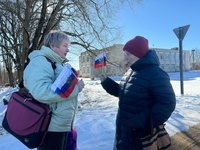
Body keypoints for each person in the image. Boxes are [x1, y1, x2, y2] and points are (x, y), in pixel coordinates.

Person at [100, 36, 176, 150]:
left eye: (128, 54)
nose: (125, 58)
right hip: (123, 130)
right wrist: (106, 82)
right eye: (125, 54)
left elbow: (168, 103)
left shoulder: (156, 74)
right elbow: (124, 93)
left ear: (139, 54)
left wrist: (142, 122)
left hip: (140, 136)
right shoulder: (130, 72)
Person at [23, 30, 84, 150]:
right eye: (65, 46)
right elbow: (42, 92)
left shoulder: (56, 63)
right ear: (52, 46)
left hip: (59, 126)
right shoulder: (41, 62)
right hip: (50, 128)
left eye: (68, 46)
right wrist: (75, 89)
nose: (68, 50)